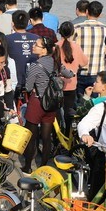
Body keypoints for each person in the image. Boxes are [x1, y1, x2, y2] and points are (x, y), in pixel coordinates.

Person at [22, 37, 72, 173]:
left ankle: (27, 166)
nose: (33, 46)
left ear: (44, 50)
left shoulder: (35, 65)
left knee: (31, 136)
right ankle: (43, 165)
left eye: (36, 45)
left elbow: (28, 87)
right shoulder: (56, 62)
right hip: (52, 103)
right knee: (46, 136)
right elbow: (69, 74)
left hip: (37, 102)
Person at [71, 0, 106, 97]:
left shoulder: (76, 28)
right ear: (100, 14)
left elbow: (70, 48)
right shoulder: (105, 29)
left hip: (80, 71)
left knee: (79, 101)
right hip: (97, 73)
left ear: (87, 11)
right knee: (95, 102)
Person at [57, 21, 88, 129]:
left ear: (59, 31)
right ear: (72, 33)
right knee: (69, 111)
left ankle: (57, 133)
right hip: (71, 84)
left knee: (56, 111)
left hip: (57, 85)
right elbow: (84, 62)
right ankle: (68, 133)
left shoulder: (55, 47)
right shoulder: (76, 47)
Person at [6, 10, 39, 97]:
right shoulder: (37, 38)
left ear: (12, 24)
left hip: (15, 80)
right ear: (28, 23)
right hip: (34, 80)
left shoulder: (7, 39)